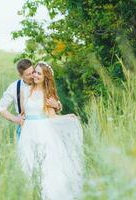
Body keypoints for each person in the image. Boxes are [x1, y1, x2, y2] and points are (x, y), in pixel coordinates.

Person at [18, 62, 83, 200]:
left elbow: (52, 117)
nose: (35, 75)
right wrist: (20, 118)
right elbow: (24, 113)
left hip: (42, 132)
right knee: (27, 163)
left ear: (45, 77)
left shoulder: (47, 94)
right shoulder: (25, 91)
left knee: (45, 166)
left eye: (39, 73)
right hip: (27, 132)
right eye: (35, 72)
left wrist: (67, 116)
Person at [0, 59, 62, 141]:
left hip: (44, 129)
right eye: (28, 75)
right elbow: (0, 108)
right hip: (25, 129)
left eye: (33, 72)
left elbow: (54, 107)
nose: (32, 76)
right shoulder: (14, 87)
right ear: (20, 76)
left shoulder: (42, 83)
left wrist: (57, 105)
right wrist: (16, 120)